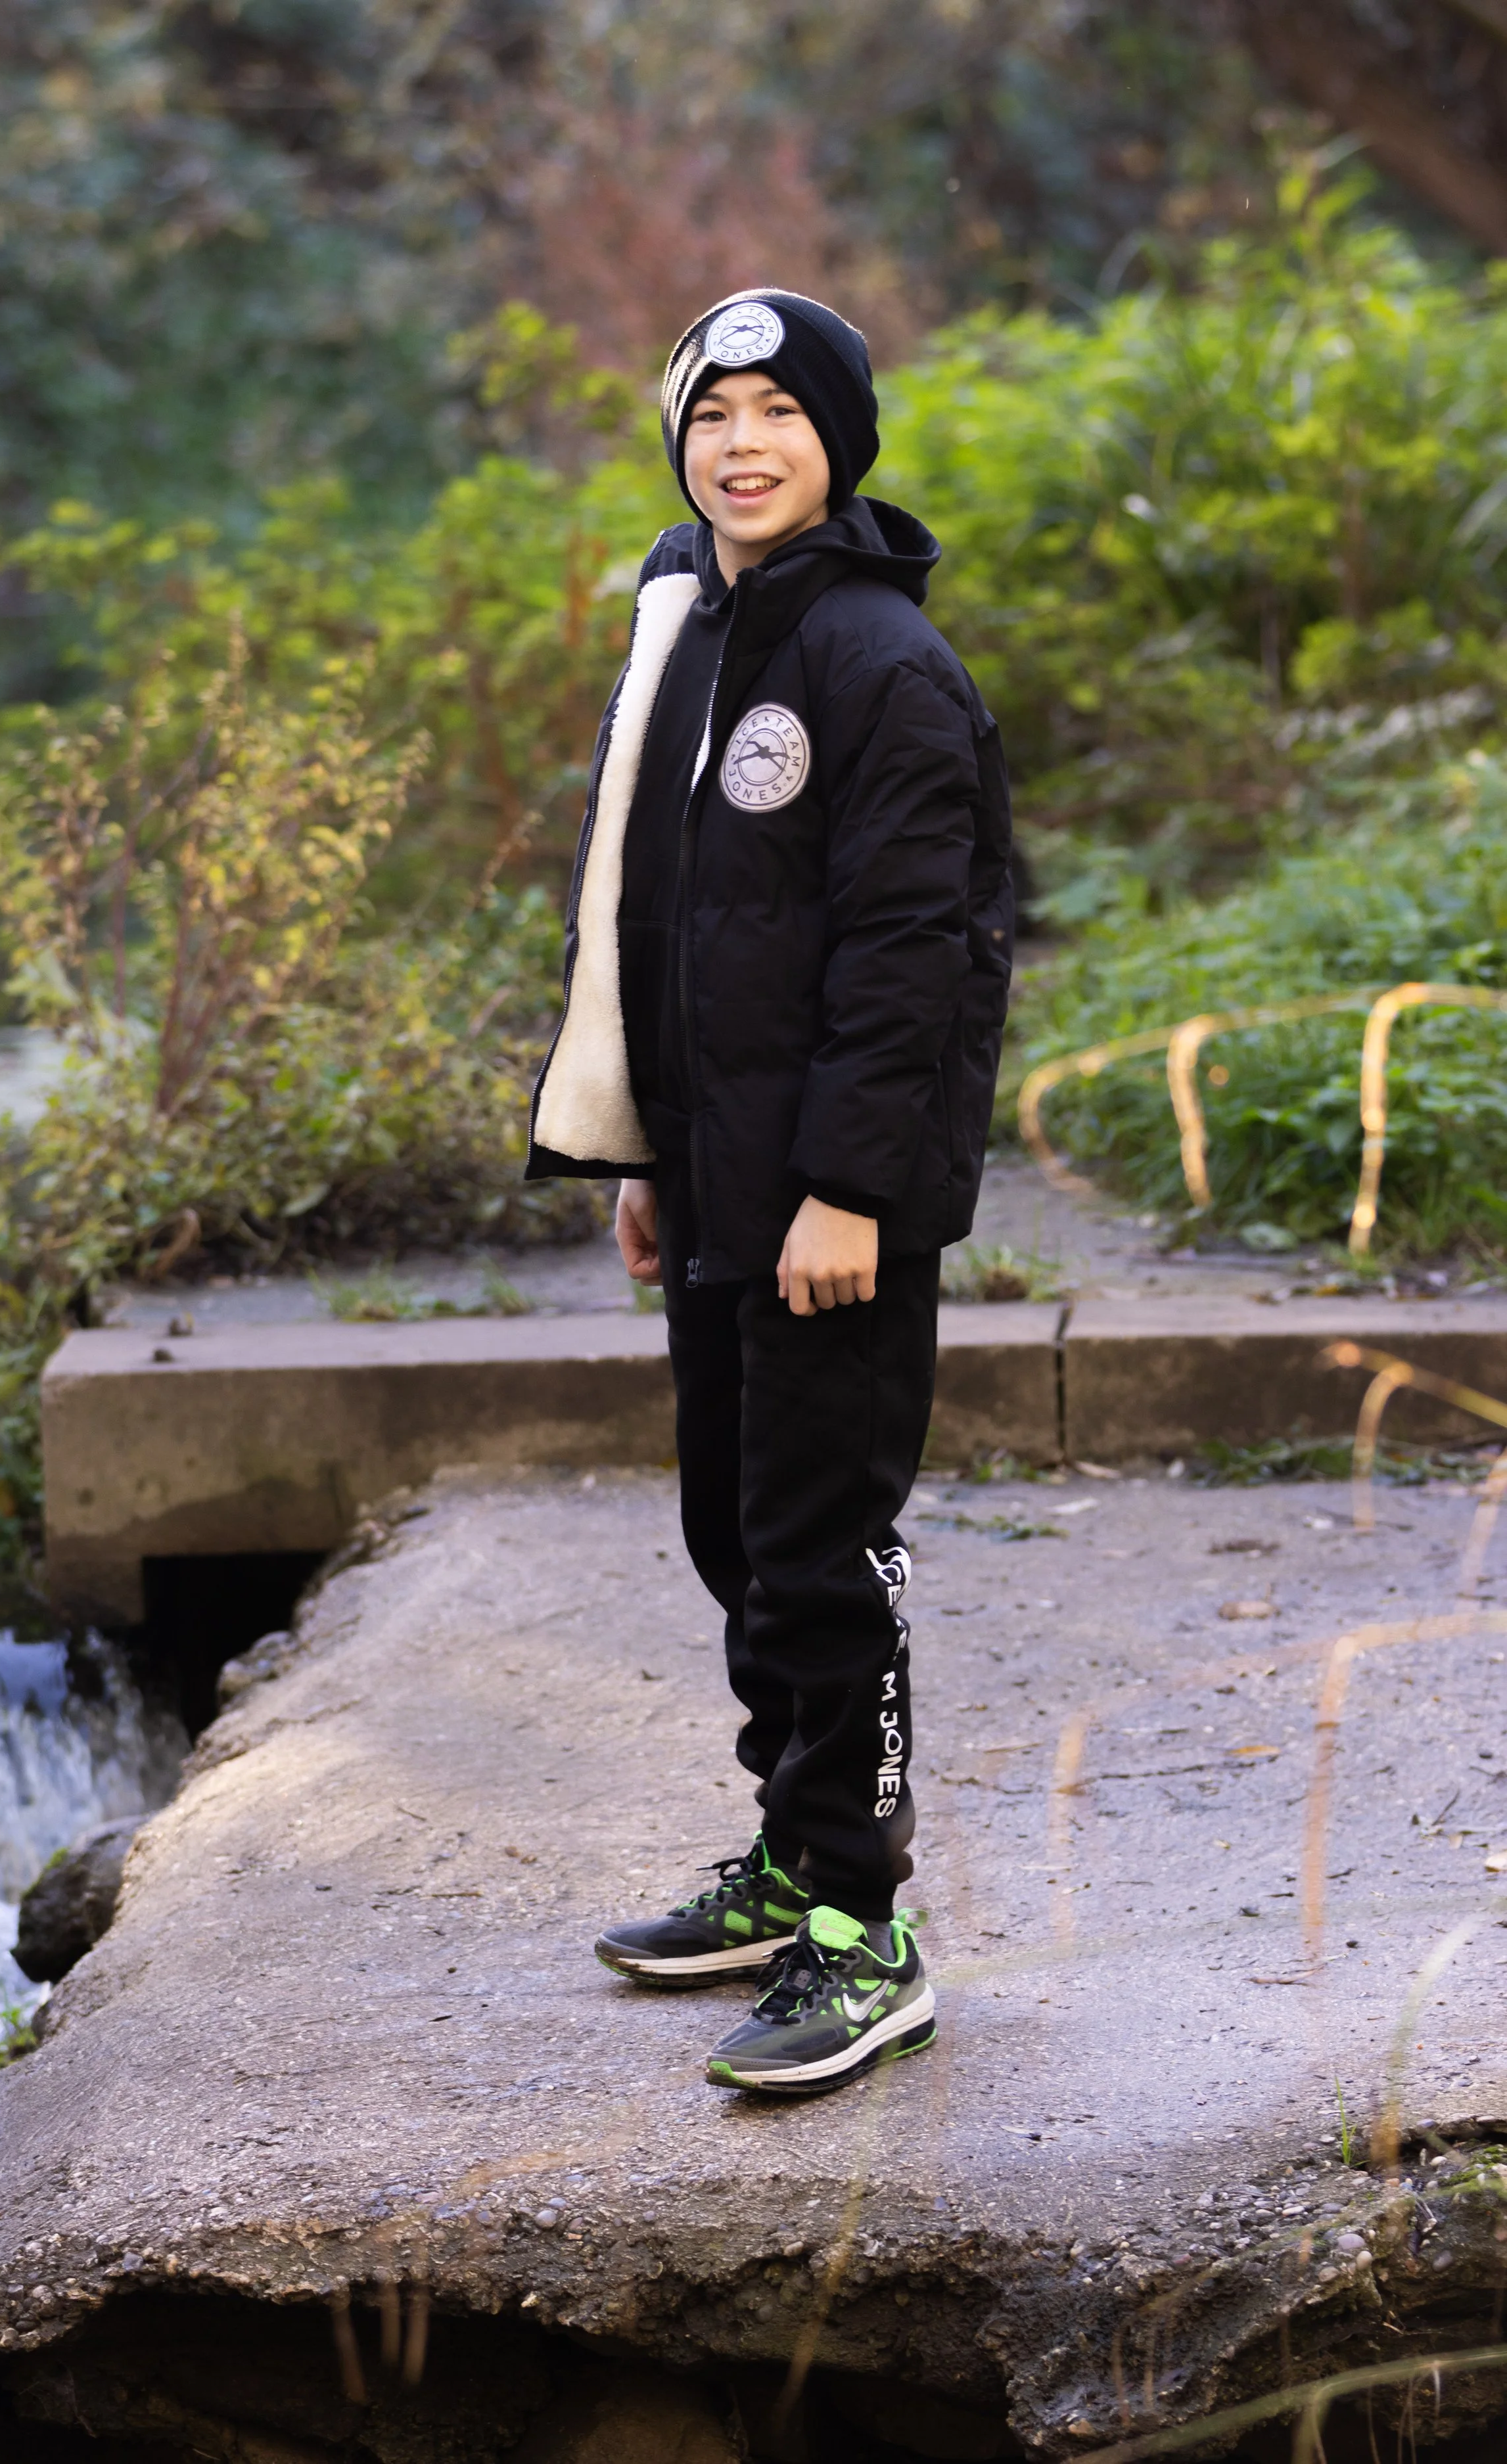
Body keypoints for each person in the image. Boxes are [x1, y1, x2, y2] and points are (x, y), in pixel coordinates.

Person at [526, 288, 1013, 2095]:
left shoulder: (879, 661)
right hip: (718, 1180)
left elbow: (920, 958)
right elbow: (654, 935)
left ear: (838, 441)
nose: (740, 442)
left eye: (778, 412)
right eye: (711, 411)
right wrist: (645, 1154)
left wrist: (844, 1192)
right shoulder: (695, 637)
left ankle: (860, 1931)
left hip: (829, 1209)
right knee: (736, 1536)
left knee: (823, 1554)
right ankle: (788, 1858)